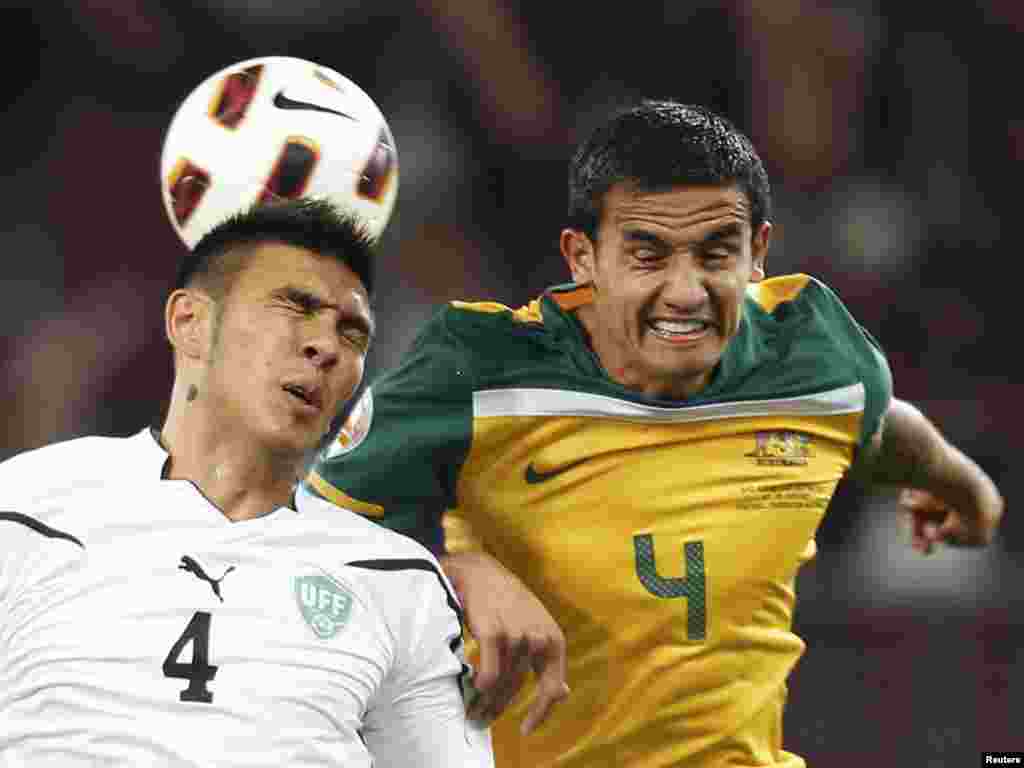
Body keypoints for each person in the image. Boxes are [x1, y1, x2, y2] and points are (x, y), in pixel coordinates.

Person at [302, 102, 1004, 767]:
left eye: (716, 253)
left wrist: (959, 484)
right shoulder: (477, 370)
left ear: (758, 251)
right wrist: (453, 574)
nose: (686, 291)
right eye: (648, 255)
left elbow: (878, 428)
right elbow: (296, 534)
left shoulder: (816, 359)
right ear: (582, 257)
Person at [0, 199, 493, 767]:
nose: (327, 347)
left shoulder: (397, 580)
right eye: (296, 307)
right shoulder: (26, 509)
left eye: (352, 333)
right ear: (190, 324)